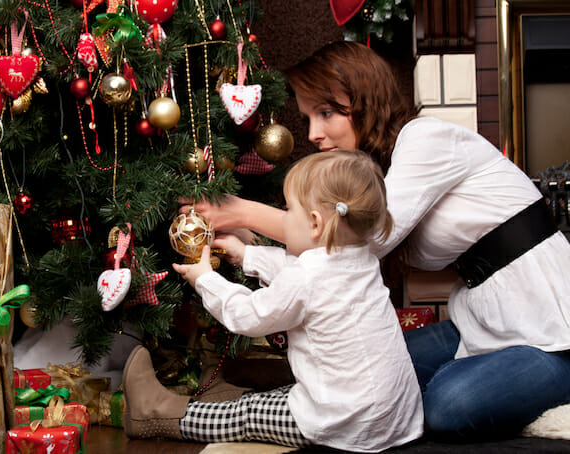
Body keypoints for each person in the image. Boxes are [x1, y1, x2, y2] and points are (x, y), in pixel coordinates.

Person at [180, 40, 570, 440]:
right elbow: (331, 265)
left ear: (365, 99)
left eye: (326, 112)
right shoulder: (375, 175)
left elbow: (365, 240)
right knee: (376, 380)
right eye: (308, 117)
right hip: (483, 319)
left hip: (549, 325)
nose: (313, 133)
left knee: (447, 407)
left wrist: (243, 212)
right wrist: (249, 247)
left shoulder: (426, 138)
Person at [121, 150, 424, 452]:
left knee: (247, 414)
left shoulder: (308, 277)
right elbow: (300, 272)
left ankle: (157, 414)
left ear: (315, 224)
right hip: (396, 418)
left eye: (289, 209)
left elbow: (247, 315)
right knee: (283, 395)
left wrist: (205, 279)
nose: (284, 216)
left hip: (349, 423)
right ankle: (214, 391)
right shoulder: (361, 260)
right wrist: (246, 255)